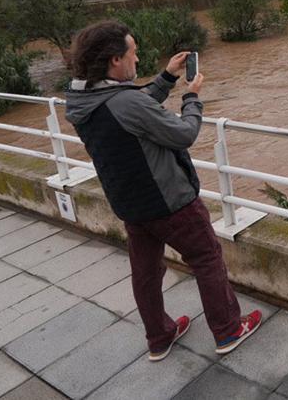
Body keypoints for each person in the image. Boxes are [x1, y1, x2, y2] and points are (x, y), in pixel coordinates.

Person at [65, 20, 262, 362]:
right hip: (169, 201)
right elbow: (183, 133)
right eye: (133, 53)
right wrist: (191, 97)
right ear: (114, 60)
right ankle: (228, 329)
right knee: (206, 258)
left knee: (146, 272)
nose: (137, 60)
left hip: (130, 204)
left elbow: (131, 112)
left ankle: (159, 337)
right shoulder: (124, 102)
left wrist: (167, 77)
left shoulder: (83, 98)